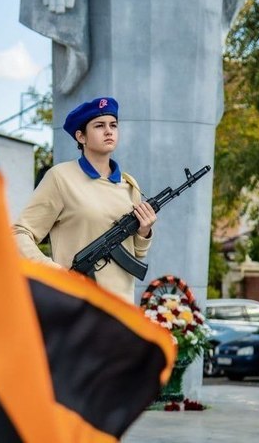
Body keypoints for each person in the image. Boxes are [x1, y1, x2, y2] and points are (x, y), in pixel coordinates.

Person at [13, 97, 157, 303]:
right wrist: (54, 272)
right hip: (76, 305)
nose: (109, 131)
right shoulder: (60, 177)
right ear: (81, 136)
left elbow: (136, 255)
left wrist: (144, 232)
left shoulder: (129, 185)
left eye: (113, 125)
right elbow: (19, 233)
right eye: (99, 126)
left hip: (122, 309)